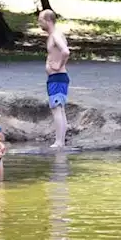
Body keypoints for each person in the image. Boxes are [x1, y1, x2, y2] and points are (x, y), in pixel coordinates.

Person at [40, 9, 70, 148]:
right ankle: (61, 141)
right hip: (58, 77)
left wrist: (59, 64)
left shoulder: (55, 36)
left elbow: (65, 51)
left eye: (41, 20)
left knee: (56, 108)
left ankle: (59, 142)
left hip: (57, 77)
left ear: (48, 21)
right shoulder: (55, 35)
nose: (39, 23)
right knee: (59, 108)